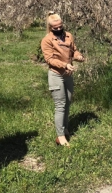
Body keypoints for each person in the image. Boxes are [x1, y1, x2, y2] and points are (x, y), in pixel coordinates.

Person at [41, 12, 84, 147]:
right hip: (56, 75)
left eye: (60, 26)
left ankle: (65, 128)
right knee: (60, 105)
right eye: (56, 28)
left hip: (68, 75)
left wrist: (78, 56)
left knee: (68, 102)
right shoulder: (47, 40)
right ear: (50, 27)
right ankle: (60, 136)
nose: (59, 29)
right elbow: (49, 59)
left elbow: (74, 50)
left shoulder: (69, 36)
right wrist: (65, 65)